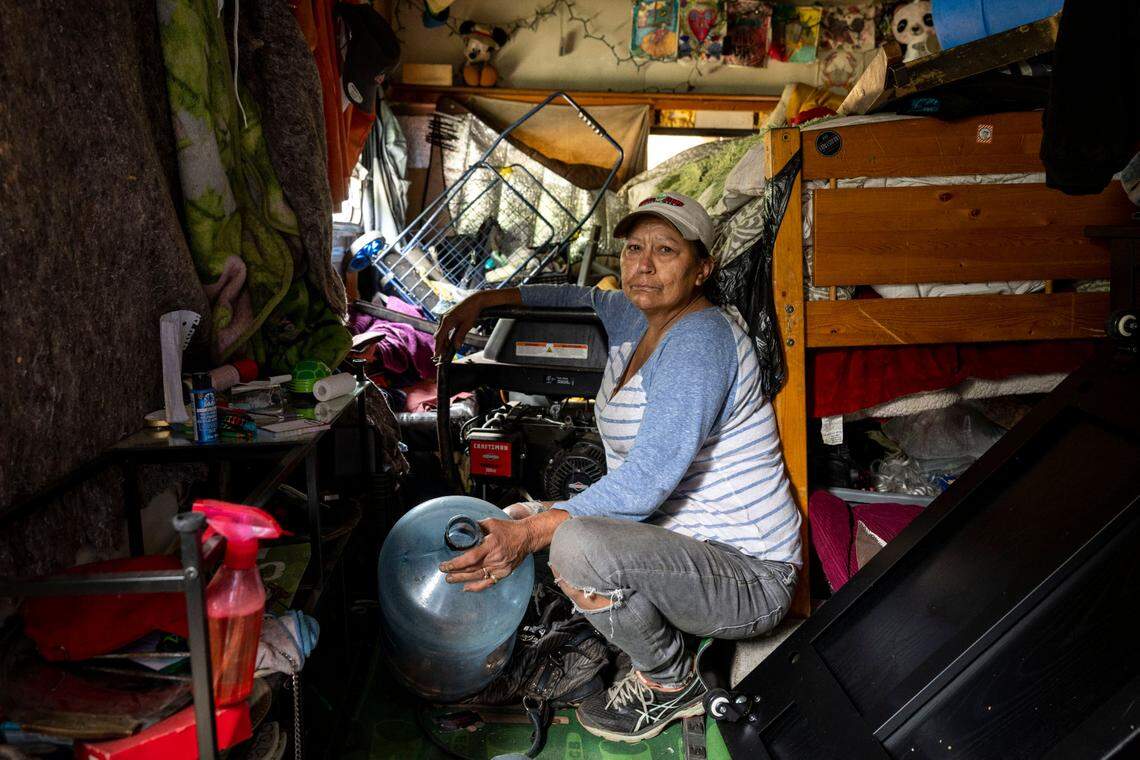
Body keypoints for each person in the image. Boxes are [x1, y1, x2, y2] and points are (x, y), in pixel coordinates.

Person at [433, 191, 801, 743]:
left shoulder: (700, 340)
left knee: (571, 546)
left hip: (748, 574)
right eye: (633, 248)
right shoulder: (632, 314)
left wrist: (533, 531)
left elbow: (647, 481)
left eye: (666, 250)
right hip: (685, 546)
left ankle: (671, 682)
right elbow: (573, 294)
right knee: (521, 511)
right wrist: (482, 301)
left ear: (702, 269)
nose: (643, 264)